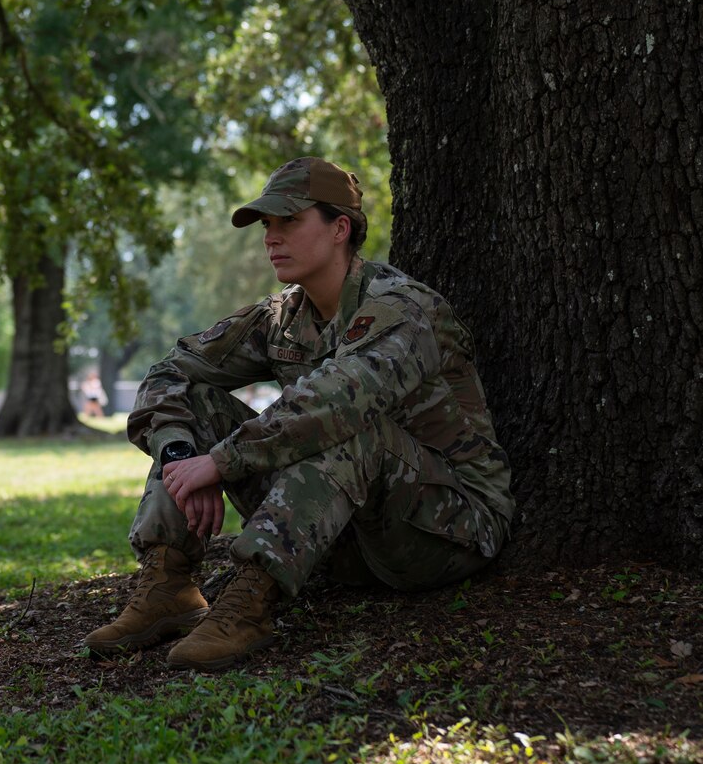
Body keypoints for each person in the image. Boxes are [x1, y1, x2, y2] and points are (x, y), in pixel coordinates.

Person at [85, 157, 515, 672]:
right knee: (194, 402)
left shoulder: (403, 308)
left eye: (288, 221)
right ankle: (167, 584)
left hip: (445, 528)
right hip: (342, 535)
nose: (271, 237)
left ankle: (250, 601)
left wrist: (221, 462)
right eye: (267, 224)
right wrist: (182, 456)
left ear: (340, 228)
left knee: (349, 427)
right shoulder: (282, 317)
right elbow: (170, 372)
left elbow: (337, 400)